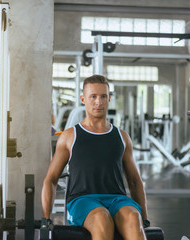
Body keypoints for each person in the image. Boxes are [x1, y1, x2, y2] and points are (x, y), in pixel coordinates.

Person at [42, 75, 149, 240]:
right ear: (83, 99)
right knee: (101, 217)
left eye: (103, 96)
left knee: (134, 217)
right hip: (82, 201)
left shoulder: (122, 136)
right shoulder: (70, 136)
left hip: (117, 199)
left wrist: (146, 218)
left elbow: (134, 181)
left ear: (109, 99)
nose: (98, 102)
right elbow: (51, 179)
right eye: (93, 97)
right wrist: (46, 218)